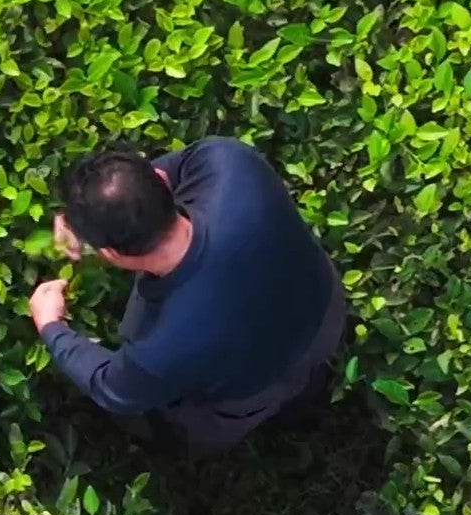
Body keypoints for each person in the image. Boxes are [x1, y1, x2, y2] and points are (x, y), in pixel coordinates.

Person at [28, 138, 347, 458]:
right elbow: (170, 170)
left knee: (195, 426)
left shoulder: (156, 347)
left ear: (109, 254)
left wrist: (52, 327)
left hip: (256, 388)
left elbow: (111, 387)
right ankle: (312, 392)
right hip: (324, 308)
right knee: (306, 373)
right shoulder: (227, 162)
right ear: (163, 182)